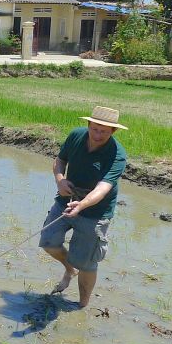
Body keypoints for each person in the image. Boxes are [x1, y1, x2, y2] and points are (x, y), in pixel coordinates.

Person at [40, 106, 128, 308]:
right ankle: (70, 269)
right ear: (89, 125)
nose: (98, 135)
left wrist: (83, 205)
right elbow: (60, 160)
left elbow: (103, 188)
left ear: (113, 132)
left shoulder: (117, 154)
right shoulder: (76, 136)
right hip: (66, 198)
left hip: (96, 212)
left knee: (86, 263)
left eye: (104, 131)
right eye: (95, 129)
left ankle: (82, 306)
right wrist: (60, 180)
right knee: (48, 242)